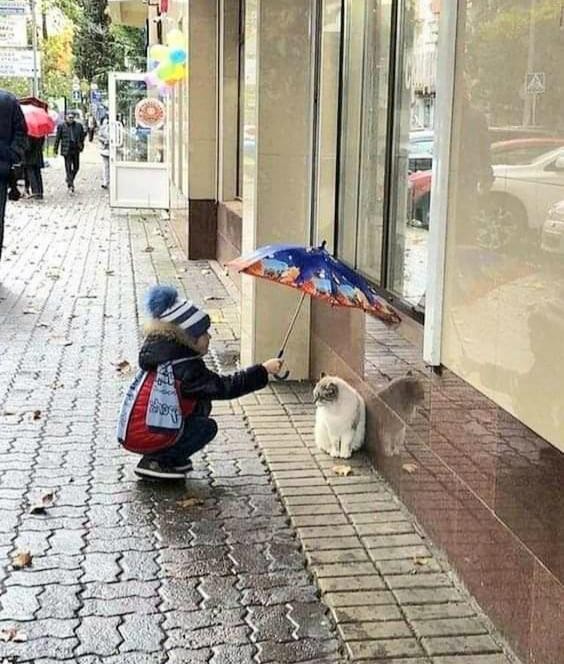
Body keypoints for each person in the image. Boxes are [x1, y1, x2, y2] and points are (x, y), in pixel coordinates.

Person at [117, 285, 284, 479]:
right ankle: (159, 460)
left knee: (201, 404)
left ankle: (167, 456)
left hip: (137, 431)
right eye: (205, 333)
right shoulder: (185, 369)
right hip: (146, 433)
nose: (210, 337)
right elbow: (225, 387)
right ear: (190, 338)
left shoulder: (166, 357)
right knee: (206, 427)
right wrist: (263, 370)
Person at [0, 89, 27, 262]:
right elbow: (21, 134)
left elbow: (20, 133)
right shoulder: (8, 99)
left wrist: (9, 156)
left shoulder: (7, 101)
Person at [54, 112, 85, 193]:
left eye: (72, 117)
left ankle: (69, 179)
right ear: (66, 117)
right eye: (69, 117)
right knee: (68, 167)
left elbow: (82, 137)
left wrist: (81, 146)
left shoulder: (78, 126)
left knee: (76, 167)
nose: (71, 119)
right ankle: (70, 185)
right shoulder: (61, 126)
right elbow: (57, 138)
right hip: (66, 149)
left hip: (75, 149)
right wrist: (55, 150)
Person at [98, 116, 110, 190]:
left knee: (111, 166)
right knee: (105, 166)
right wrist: (104, 141)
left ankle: (111, 181)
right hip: (105, 149)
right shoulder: (102, 129)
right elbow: (99, 137)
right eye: (105, 122)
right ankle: (105, 182)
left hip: (114, 149)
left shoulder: (116, 127)